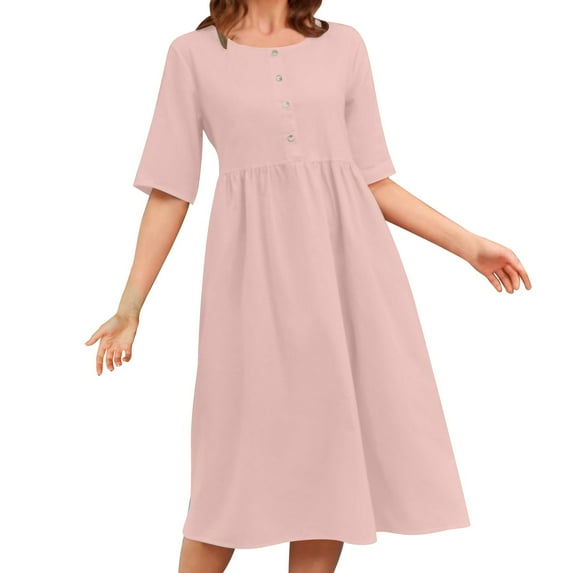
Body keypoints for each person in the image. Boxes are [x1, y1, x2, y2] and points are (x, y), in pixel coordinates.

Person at [85, 1, 532, 572]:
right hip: (250, 281)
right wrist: (130, 306)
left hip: (348, 276)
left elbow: (371, 177)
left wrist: (468, 245)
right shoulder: (191, 54)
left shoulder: (344, 44)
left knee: (331, 465)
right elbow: (170, 190)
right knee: (230, 469)